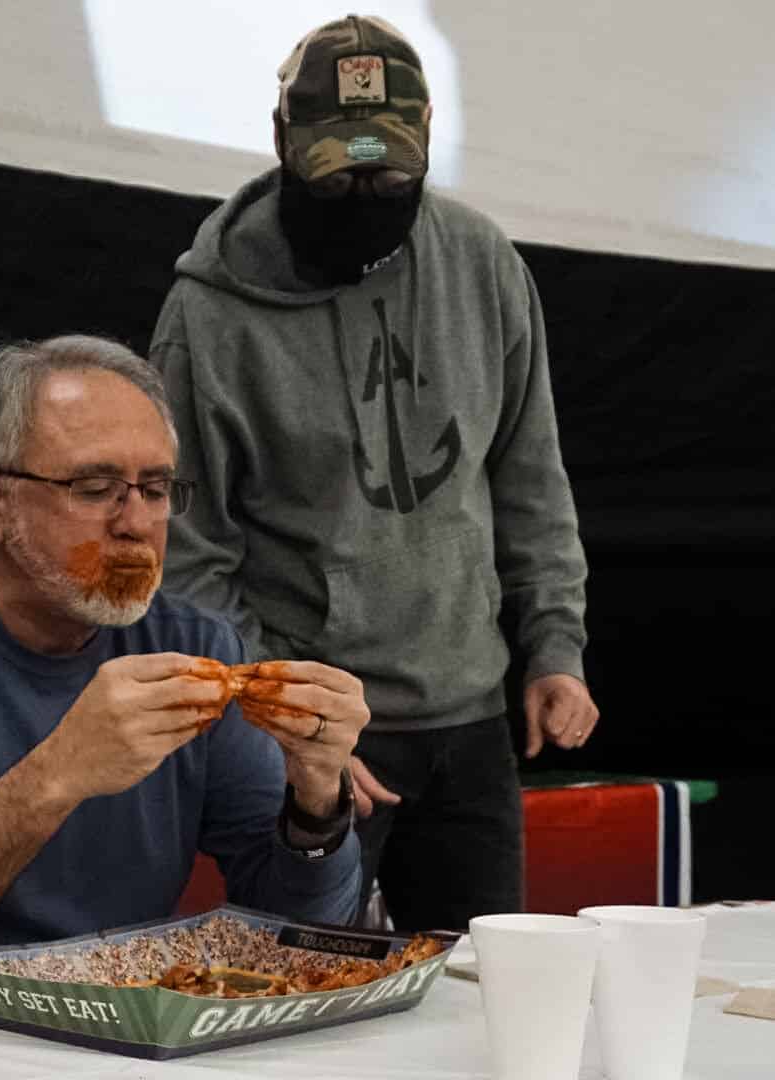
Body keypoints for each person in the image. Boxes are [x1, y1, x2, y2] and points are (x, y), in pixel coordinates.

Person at [149, 15, 599, 932]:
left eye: (390, 173)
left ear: (429, 133)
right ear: (282, 143)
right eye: (337, 174)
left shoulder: (484, 265)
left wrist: (555, 645)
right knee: (306, 1012)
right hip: (314, 733)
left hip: (471, 724)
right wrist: (285, 713)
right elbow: (189, 556)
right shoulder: (206, 316)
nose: (364, 194)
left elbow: (528, 476)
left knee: (478, 1009)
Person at [0, 334, 368, 1007]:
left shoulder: (198, 645)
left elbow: (301, 944)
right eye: (95, 487)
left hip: (102, 1034)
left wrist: (316, 804)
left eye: (157, 488)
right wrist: (57, 775)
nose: (136, 523)